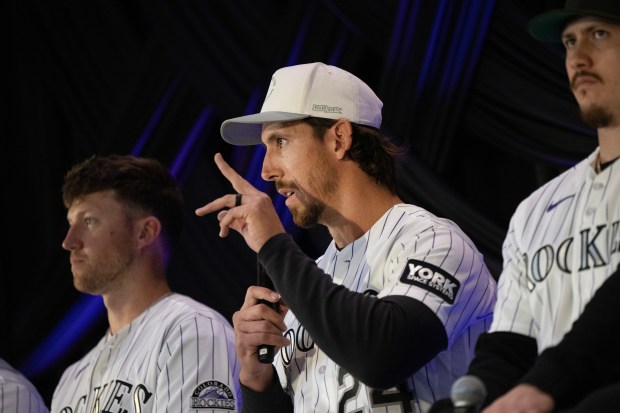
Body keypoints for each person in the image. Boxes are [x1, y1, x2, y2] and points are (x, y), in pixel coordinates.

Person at [195, 62, 497, 412]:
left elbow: (382, 357)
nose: (266, 170)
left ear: (339, 138)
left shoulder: (435, 242)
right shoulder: (306, 285)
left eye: (281, 141)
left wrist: (274, 246)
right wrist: (257, 380)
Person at [456, 1, 620, 412]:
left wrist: (545, 386)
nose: (577, 59)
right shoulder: (536, 209)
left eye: (599, 34)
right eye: (569, 41)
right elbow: (510, 347)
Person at [51, 155, 241, 413]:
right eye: (71, 224)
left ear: (145, 232)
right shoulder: (70, 381)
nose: (69, 241)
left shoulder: (192, 331)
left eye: (89, 221)